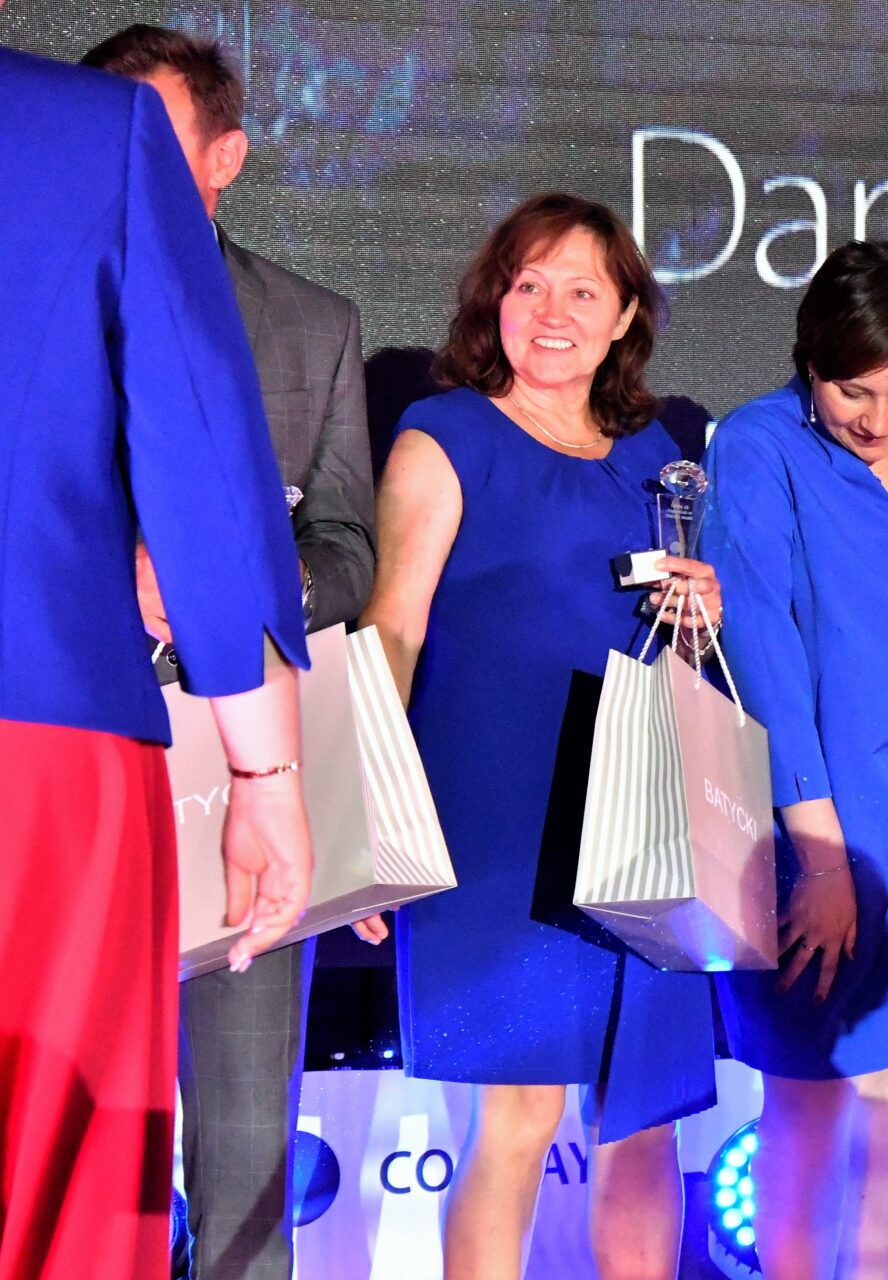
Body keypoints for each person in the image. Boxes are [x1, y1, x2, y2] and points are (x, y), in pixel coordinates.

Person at [353, 192, 720, 1280]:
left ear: (625, 317)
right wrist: (369, 812)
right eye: (529, 286)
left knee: (646, 1121)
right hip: (499, 820)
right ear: (495, 299)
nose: (552, 313)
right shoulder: (446, 435)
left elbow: (667, 629)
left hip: (637, 819)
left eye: (582, 292)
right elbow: (392, 625)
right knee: (518, 1116)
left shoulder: (656, 450)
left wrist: (700, 608)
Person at [0, 41, 312, 1280]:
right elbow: (201, 460)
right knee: (59, 1197)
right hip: (43, 729)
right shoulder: (98, 133)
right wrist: (266, 773)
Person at [79, 26, 377, 1280]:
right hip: (68, 768)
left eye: (151, 137)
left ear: (226, 157)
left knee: (249, 1151)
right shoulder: (31, 294)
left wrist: (243, 581)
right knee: (73, 1138)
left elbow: (351, 549)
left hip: (243, 784)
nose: (116, 161)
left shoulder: (311, 323)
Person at [700, 240, 888, 1280]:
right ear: (809, 362)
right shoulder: (759, 444)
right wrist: (819, 855)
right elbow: (761, 648)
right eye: (851, 390)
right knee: (814, 1095)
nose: (879, 418)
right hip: (813, 821)